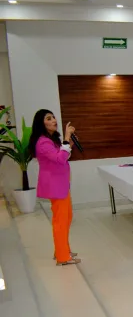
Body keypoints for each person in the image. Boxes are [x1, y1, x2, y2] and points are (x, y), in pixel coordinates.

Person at [30, 109, 79, 266]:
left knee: (66, 218)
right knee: (61, 221)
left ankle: (62, 250)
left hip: (61, 184)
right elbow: (60, 159)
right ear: (41, 123)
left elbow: (63, 157)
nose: (54, 121)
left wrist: (68, 143)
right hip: (55, 185)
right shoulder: (43, 142)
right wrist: (65, 138)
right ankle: (63, 257)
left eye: (53, 117)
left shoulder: (51, 140)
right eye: (49, 118)